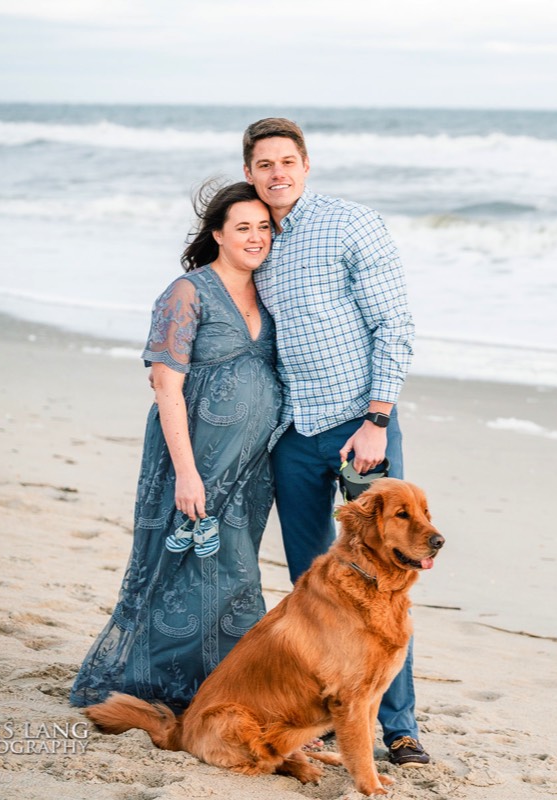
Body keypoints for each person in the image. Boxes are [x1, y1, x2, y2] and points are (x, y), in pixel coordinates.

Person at [241, 118, 426, 766]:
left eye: (286, 161)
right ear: (250, 173)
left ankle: (399, 727)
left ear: (306, 165)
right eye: (264, 164)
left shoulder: (349, 224)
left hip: (360, 429)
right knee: (312, 585)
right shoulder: (254, 235)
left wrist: (377, 418)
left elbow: (394, 324)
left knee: (386, 583)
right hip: (293, 433)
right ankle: (326, 716)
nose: (277, 174)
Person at [70, 182, 283, 712]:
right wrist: (187, 475)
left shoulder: (272, 291)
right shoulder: (187, 292)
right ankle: (155, 687)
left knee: (231, 576)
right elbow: (167, 386)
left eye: (264, 227)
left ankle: (219, 689)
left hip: (249, 469)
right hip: (192, 462)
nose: (256, 237)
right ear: (217, 234)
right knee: (178, 570)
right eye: (243, 227)